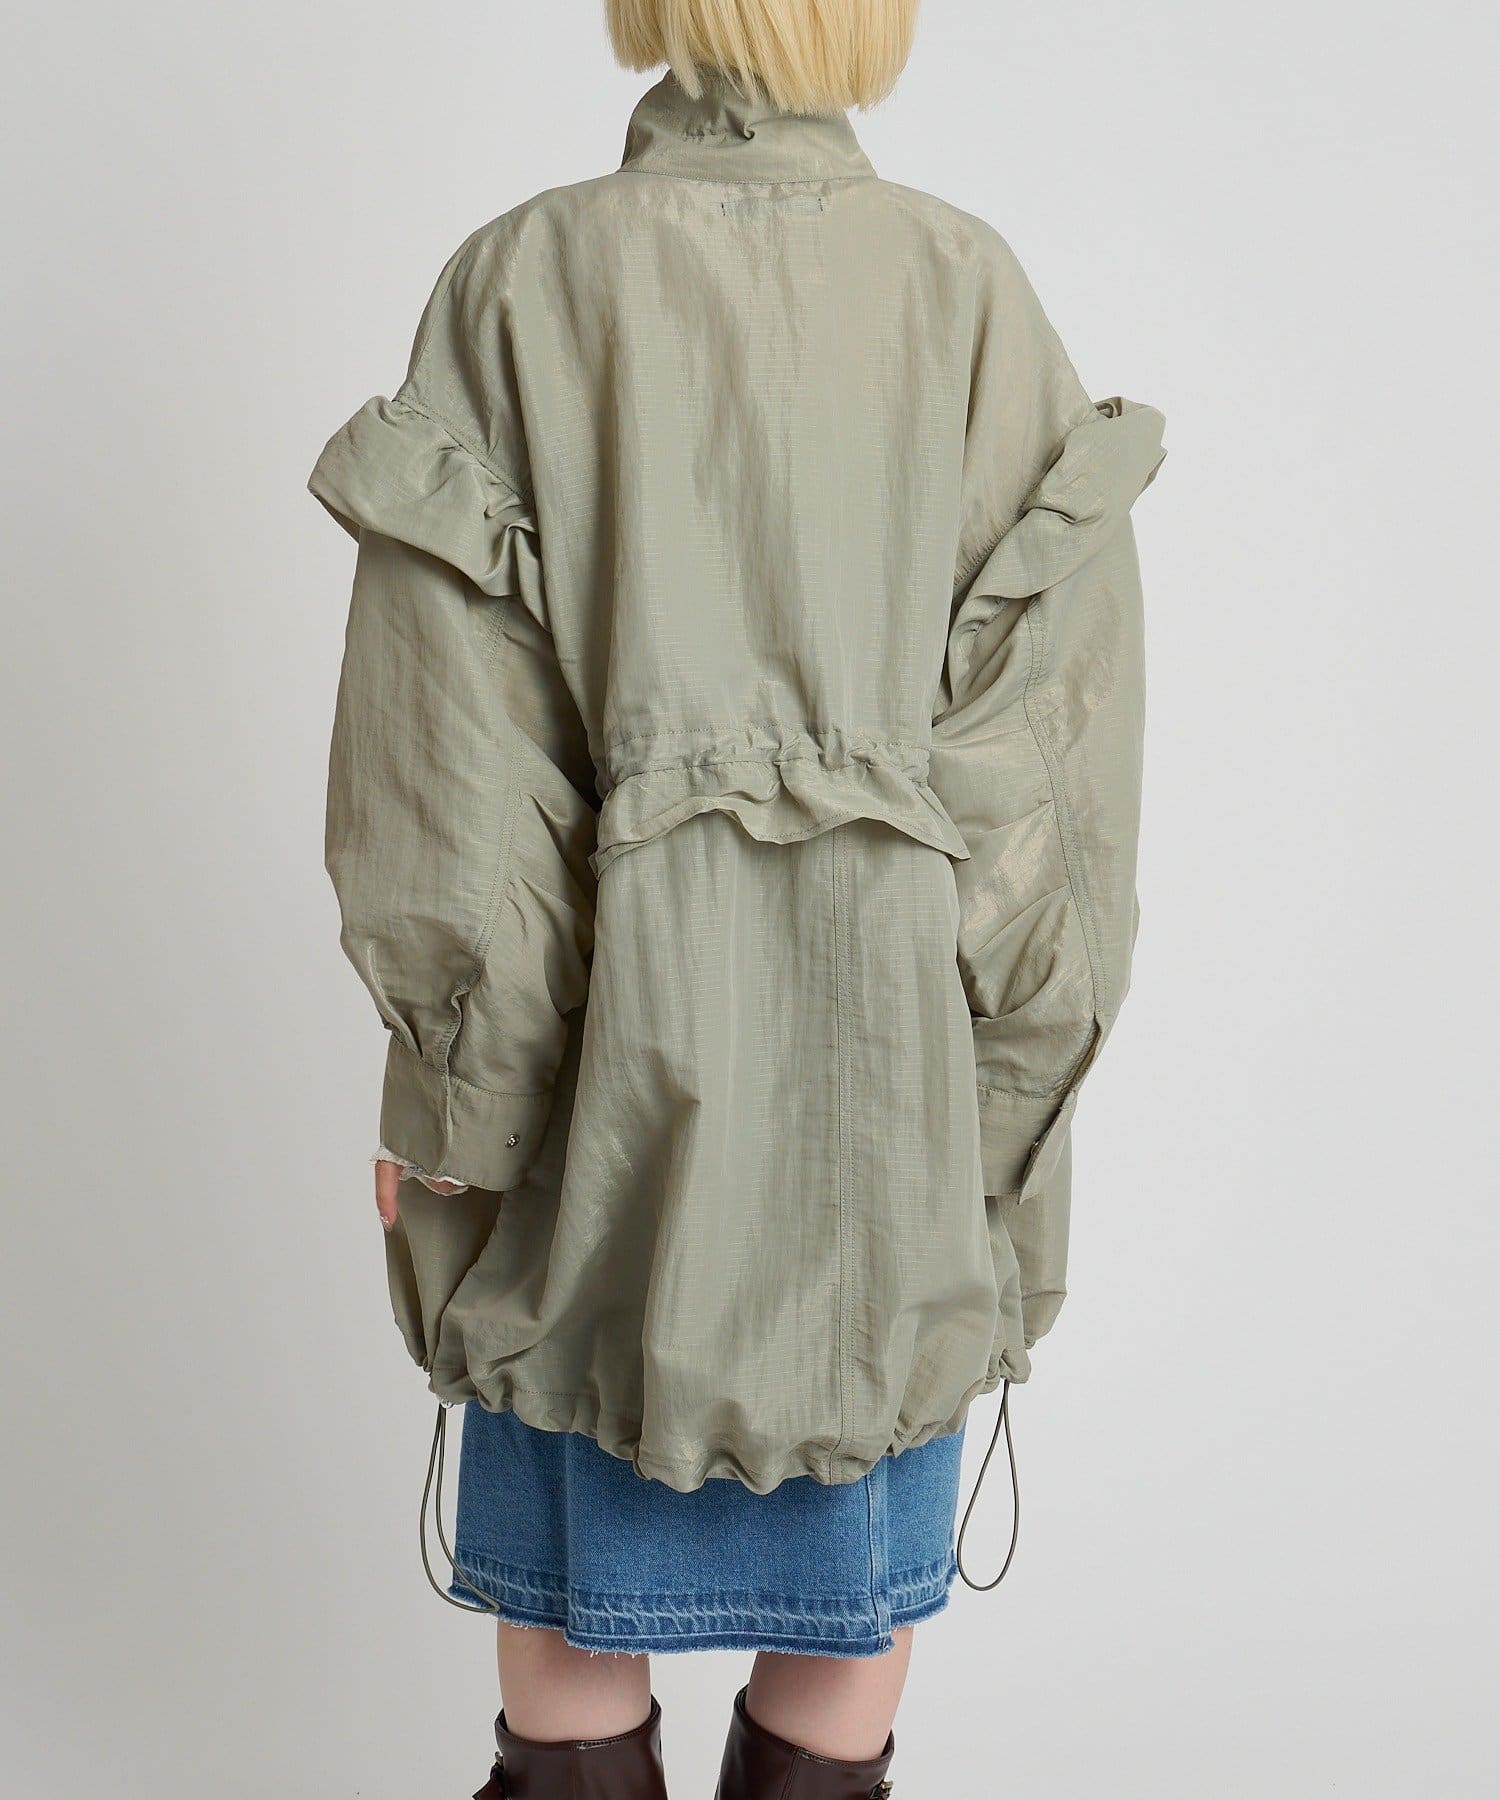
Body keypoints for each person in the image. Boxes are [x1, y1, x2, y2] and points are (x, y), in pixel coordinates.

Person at [307, 3, 1164, 1793]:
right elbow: (1054, 809)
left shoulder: (522, 283)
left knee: (568, 1671)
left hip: (594, 1150)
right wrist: (1006, 1134)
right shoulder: (971, 296)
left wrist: (457, 1117)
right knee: (843, 1678)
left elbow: (454, 794)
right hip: (894, 1156)